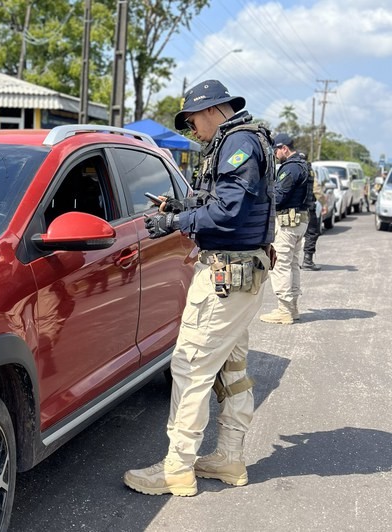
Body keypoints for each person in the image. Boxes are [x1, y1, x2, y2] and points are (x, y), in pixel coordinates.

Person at [123, 79, 275, 497]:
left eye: (193, 121)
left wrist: (174, 224)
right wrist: (179, 206)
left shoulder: (237, 143)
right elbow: (221, 199)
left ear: (213, 110)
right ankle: (228, 457)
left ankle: (177, 468)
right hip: (242, 275)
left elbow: (228, 213)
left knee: (190, 367)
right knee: (233, 367)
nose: (193, 130)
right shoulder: (240, 139)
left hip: (227, 278)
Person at [260, 133, 314, 325]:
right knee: (292, 265)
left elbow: (279, 196)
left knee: (280, 265)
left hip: (287, 223)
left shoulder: (290, 168)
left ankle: (284, 311)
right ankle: (292, 309)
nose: (274, 154)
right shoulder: (305, 165)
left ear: (284, 148)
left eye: (276, 150)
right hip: (300, 221)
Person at [301, 153, 325, 271]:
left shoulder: (288, 168)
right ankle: (307, 260)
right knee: (311, 233)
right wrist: (324, 203)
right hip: (308, 209)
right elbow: (317, 190)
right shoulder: (309, 171)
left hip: (291, 210)